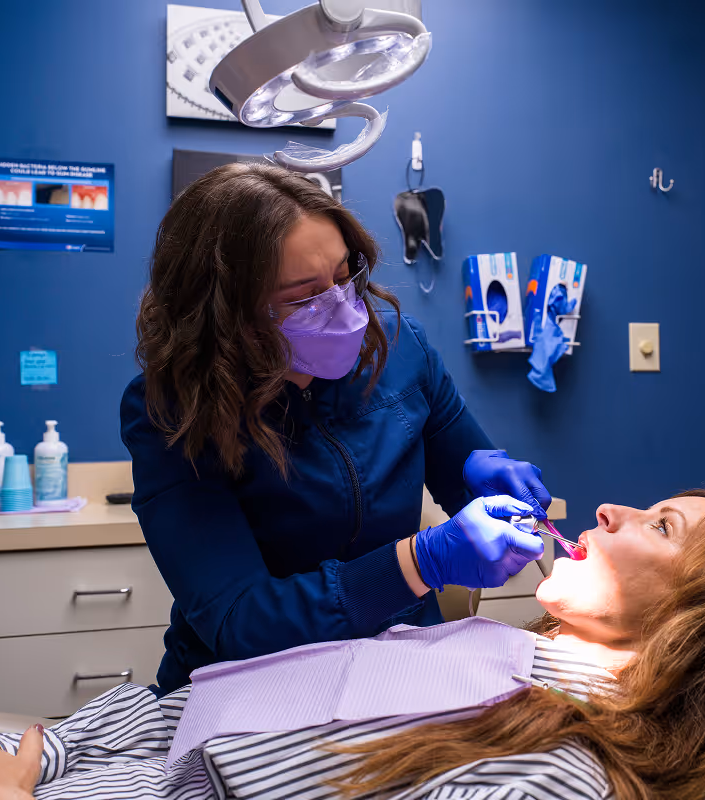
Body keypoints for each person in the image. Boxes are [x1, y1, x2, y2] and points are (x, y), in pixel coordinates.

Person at [0, 491, 705, 800]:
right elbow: (207, 717)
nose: (612, 508)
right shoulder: (499, 664)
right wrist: (40, 753)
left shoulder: (562, 774)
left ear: (697, 625)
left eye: (659, 525)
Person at [120, 163, 551, 694]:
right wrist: (418, 562)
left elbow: (464, 474)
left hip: (400, 664)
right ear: (224, 314)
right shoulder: (172, 411)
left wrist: (483, 481)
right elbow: (241, 621)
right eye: (303, 297)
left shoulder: (398, 348)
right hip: (249, 689)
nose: (345, 310)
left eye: (345, 276)